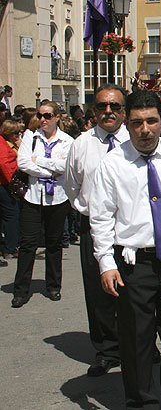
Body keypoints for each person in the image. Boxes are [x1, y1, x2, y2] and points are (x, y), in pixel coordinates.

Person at [89, 90, 161, 410]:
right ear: (127, 123)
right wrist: (105, 263)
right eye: (137, 123)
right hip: (133, 264)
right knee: (137, 338)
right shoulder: (113, 164)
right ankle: (141, 400)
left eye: (152, 121)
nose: (145, 130)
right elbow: (100, 217)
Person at [63, 83, 129, 376]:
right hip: (93, 227)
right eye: (102, 106)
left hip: (130, 229)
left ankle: (140, 344)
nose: (108, 111)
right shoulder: (81, 144)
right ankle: (107, 349)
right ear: (94, 110)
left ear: (124, 111)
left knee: (135, 291)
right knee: (99, 291)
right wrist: (89, 211)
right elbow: (72, 186)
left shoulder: (136, 139)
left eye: (115, 106)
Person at [12, 102, 74, 308]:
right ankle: (21, 290)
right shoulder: (30, 137)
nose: (43, 119)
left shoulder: (67, 141)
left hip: (57, 197)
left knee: (54, 244)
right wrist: (49, 172)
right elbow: (23, 163)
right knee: (28, 244)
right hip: (33, 196)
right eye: (40, 115)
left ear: (57, 117)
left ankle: (54, 286)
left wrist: (38, 160)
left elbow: (65, 166)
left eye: (47, 115)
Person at [0, 120, 20, 259]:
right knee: (12, 214)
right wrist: (10, 182)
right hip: (4, 183)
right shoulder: (2, 143)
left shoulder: (7, 143)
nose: (18, 135)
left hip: (5, 182)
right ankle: (10, 247)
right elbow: (3, 163)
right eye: (15, 133)